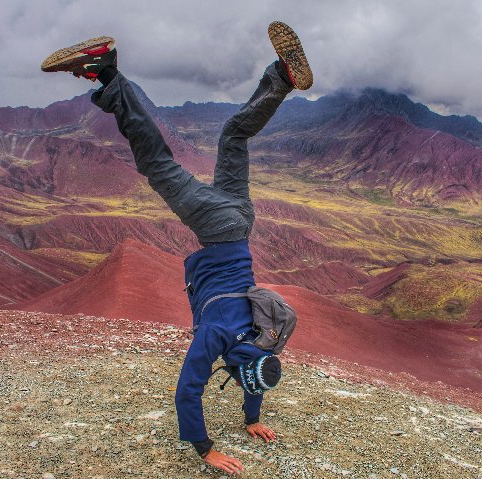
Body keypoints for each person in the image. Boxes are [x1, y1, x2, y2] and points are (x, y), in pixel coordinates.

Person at [41, 21, 312, 475]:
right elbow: (188, 390)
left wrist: (253, 418)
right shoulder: (219, 337)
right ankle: (106, 70)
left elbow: (256, 379)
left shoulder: (265, 341)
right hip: (217, 225)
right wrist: (206, 449)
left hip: (242, 221)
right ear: (243, 368)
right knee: (156, 161)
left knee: (233, 136)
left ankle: (281, 78)